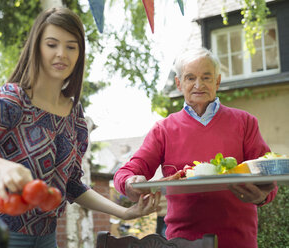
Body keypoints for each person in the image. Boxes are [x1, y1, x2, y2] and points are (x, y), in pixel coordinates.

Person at [0, 7, 161, 248]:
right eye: (52, 44)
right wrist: (0, 166)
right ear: (37, 47)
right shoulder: (11, 100)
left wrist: (124, 213)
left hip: (48, 241)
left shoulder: (75, 116)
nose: (61, 54)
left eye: (71, 46)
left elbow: (72, 186)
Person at [113, 47, 278, 248]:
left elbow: (269, 177)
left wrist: (261, 197)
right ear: (179, 83)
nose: (198, 85)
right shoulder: (163, 129)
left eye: (206, 78)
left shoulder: (245, 122)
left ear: (217, 81)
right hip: (182, 242)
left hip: (238, 241)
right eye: (190, 78)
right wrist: (130, 182)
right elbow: (126, 173)